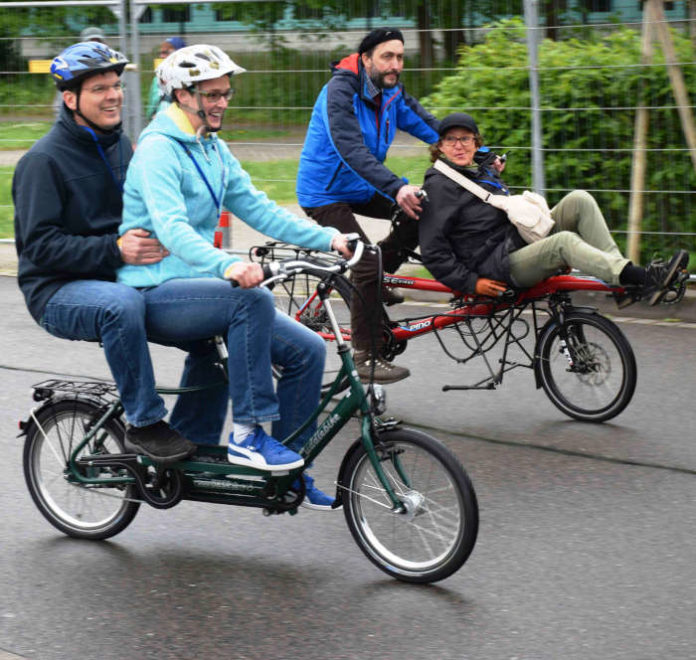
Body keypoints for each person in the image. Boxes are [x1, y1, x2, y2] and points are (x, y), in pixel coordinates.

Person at [117, 44, 352, 509]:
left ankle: (289, 474)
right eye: (213, 94)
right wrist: (228, 264)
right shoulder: (158, 151)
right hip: (156, 291)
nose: (224, 101)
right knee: (251, 300)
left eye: (226, 92)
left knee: (306, 349)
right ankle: (248, 433)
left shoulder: (212, 149)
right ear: (183, 95)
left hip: (201, 290)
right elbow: (172, 228)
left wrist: (327, 238)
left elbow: (258, 207)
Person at [13, 41, 214, 465]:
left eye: (116, 85)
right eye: (100, 88)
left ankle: (195, 442)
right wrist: (116, 249)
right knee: (119, 306)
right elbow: (39, 247)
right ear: (71, 100)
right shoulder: (42, 162)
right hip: (57, 290)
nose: (114, 95)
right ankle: (145, 424)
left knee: (212, 319)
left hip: (117, 275)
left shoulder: (119, 145)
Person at [418, 113, 690, 306]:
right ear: (440, 146)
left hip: (515, 242)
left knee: (579, 199)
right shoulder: (439, 187)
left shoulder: (477, 173)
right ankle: (641, 278)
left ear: (476, 143)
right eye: (451, 140)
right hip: (496, 267)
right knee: (563, 243)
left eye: (465, 139)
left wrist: (490, 168)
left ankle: (621, 285)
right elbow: (433, 251)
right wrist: (471, 283)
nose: (458, 145)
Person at [296, 28, 440, 384]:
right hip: (326, 193)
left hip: (362, 186)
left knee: (424, 211)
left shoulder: (392, 93)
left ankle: (372, 284)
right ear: (365, 60)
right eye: (387, 57)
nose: (395, 65)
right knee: (366, 257)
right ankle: (366, 354)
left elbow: (430, 126)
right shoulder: (339, 92)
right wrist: (396, 187)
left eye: (400, 57)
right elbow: (351, 149)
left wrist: (474, 151)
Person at [52, 28, 108, 118]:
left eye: (98, 44)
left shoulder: (115, 69)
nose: (94, 48)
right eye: (90, 44)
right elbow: (59, 105)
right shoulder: (70, 69)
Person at [145, 36, 186, 120]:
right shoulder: (157, 80)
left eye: (166, 52)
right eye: (161, 53)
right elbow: (151, 108)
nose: (161, 56)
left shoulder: (189, 79)